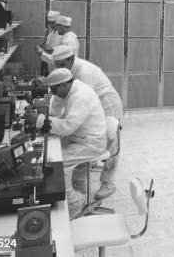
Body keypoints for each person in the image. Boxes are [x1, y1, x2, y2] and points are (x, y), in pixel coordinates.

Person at [24, 68, 107, 218]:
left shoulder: (81, 95)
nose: (53, 93)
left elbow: (68, 127)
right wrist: (41, 115)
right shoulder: (68, 90)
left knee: (57, 165)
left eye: (54, 89)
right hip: (80, 138)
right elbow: (56, 109)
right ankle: (78, 192)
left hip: (91, 143)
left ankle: (76, 204)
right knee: (53, 156)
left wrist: (39, 120)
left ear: (63, 85)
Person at [52, 45, 124, 199]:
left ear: (71, 59)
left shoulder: (84, 72)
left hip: (108, 103)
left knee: (112, 144)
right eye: (56, 66)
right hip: (94, 105)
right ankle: (79, 182)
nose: (59, 68)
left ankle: (108, 183)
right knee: (82, 142)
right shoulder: (68, 70)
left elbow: (78, 102)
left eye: (62, 65)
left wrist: (58, 122)